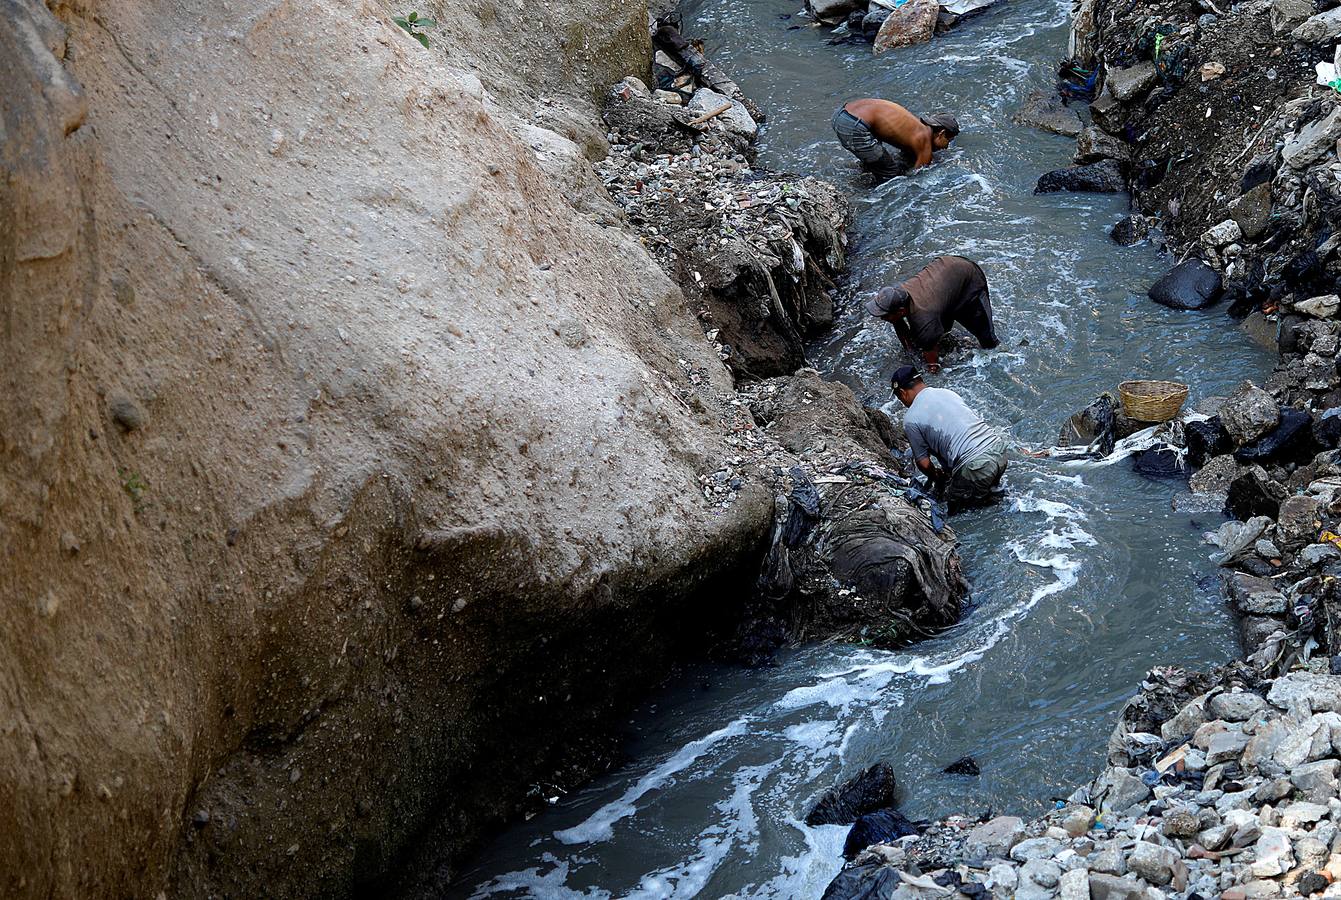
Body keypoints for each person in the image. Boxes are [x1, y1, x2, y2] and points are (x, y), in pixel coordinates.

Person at [891, 365, 1008, 504]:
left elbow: (923, 462)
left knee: (954, 510)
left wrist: (937, 478)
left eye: (900, 398)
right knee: (988, 495)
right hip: (999, 452)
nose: (903, 403)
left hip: (975, 466)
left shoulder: (911, 419)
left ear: (903, 393)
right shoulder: (947, 393)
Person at [865, 255, 998, 374]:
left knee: (988, 342)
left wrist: (931, 370)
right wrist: (911, 351)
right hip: (943, 272)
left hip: (967, 276)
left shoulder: (923, 318)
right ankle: (940, 333)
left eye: (885, 315)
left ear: (900, 312)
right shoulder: (899, 295)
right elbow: (897, 323)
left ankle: (1002, 351)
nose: (882, 318)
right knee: (939, 331)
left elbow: (933, 364)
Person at [831, 99, 959, 178]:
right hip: (854, 125)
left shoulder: (916, 128)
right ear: (941, 133)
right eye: (949, 140)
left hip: (842, 114)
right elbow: (918, 176)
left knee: (877, 164)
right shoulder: (924, 140)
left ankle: (860, 174)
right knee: (891, 173)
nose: (947, 146)